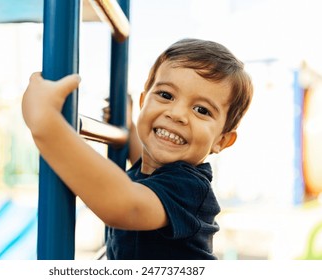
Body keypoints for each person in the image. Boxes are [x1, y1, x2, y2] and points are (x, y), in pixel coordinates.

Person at [21, 38, 253, 260]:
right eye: (165, 95)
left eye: (202, 110)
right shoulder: (155, 168)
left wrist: (48, 127)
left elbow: (124, 206)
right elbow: (141, 160)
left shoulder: (190, 188)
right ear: (144, 102)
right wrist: (130, 127)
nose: (177, 114)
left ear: (222, 140)